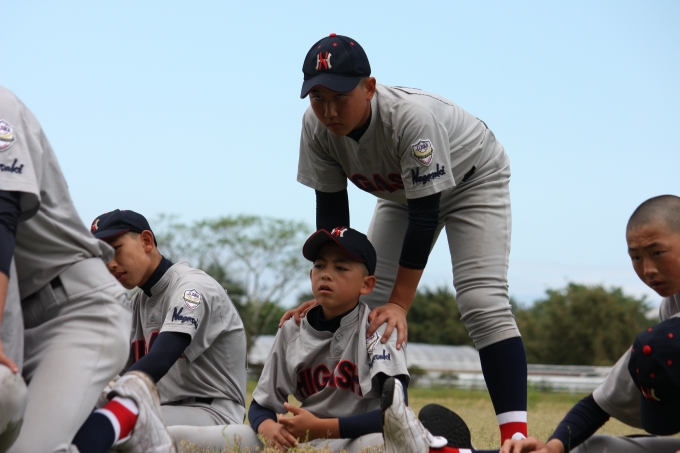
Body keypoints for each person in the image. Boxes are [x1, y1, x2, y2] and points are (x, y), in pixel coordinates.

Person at [283, 33, 527, 444]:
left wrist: (401, 303)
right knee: (365, 307)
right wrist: (334, 292)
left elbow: (425, 215)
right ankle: (393, 431)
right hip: (401, 196)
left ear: (369, 87)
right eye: (318, 97)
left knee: (480, 301)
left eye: (340, 96)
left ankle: (516, 439)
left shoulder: (410, 119)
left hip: (473, 181)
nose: (329, 110)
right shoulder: (316, 127)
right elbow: (334, 220)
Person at [387, 195, 680, 453]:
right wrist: (551, 447)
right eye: (636, 257)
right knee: (589, 447)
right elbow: (597, 404)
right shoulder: (669, 312)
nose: (647, 269)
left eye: (657, 253)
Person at [168, 227, 449, 453]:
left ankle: (444, 447)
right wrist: (268, 428)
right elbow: (262, 404)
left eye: (341, 267)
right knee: (179, 437)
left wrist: (324, 429)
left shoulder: (378, 328)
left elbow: (394, 412)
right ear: (311, 275)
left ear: (367, 284)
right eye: (320, 265)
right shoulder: (292, 329)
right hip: (301, 441)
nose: (327, 273)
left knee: (383, 445)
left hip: (356, 439)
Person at [0, 86, 132, 452]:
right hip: (17, 320)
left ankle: (125, 414)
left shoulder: (1, 104)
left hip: (73, 312)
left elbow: (1, 221)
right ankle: (99, 415)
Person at [83, 210, 247, 431]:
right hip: (163, 411)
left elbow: (160, 359)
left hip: (214, 414)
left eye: (114, 249)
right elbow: (98, 366)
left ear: (146, 241)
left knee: (115, 423)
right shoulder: (135, 305)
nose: (109, 264)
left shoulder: (191, 288)